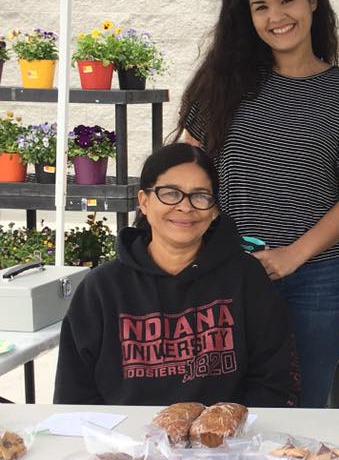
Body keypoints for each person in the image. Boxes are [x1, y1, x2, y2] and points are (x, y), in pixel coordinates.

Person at [176, 0, 339, 407]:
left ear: (313, 0)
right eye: (261, 7)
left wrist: (293, 255)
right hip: (228, 274)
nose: (276, 16)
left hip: (320, 278)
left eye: (287, 0)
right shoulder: (224, 84)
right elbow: (187, 175)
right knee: (220, 404)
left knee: (300, 405)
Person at [54, 143, 298, 407]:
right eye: (170, 193)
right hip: (127, 442)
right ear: (144, 202)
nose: (185, 207)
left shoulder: (246, 277)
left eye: (200, 196)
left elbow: (275, 378)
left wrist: (229, 435)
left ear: (214, 209)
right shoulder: (101, 288)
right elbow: (74, 395)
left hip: (227, 441)